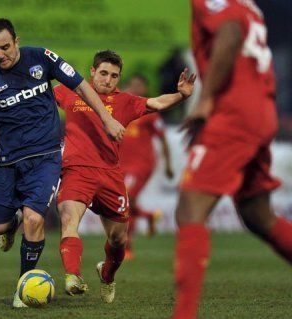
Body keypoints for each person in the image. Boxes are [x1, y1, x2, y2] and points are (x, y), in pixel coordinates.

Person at [0, 18, 125, 308]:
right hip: (6, 162)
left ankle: (23, 286)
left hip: (45, 157)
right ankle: (10, 224)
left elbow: (80, 85)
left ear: (17, 41)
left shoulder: (41, 57)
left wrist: (106, 118)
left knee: (35, 218)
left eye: (5, 47)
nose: (0, 54)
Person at [173, 1, 292, 318]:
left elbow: (230, 31)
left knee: (190, 209)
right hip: (260, 111)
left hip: (234, 113)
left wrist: (206, 100)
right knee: (258, 215)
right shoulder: (247, 3)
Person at [54, 50, 195, 303]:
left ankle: (107, 274)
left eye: (114, 76)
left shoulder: (125, 101)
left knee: (118, 239)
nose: (108, 80)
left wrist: (181, 95)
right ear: (93, 72)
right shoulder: (70, 91)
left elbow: (156, 103)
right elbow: (35, 98)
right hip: (77, 170)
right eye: (104, 73)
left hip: (110, 175)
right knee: (68, 218)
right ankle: (73, 276)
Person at [121, 75, 174, 259]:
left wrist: (168, 164)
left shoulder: (150, 111)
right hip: (121, 166)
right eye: (132, 85)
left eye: (139, 86)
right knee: (122, 202)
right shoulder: (120, 109)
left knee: (126, 201)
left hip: (141, 165)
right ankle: (148, 215)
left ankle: (127, 247)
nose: (135, 89)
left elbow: (163, 138)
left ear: (145, 89)